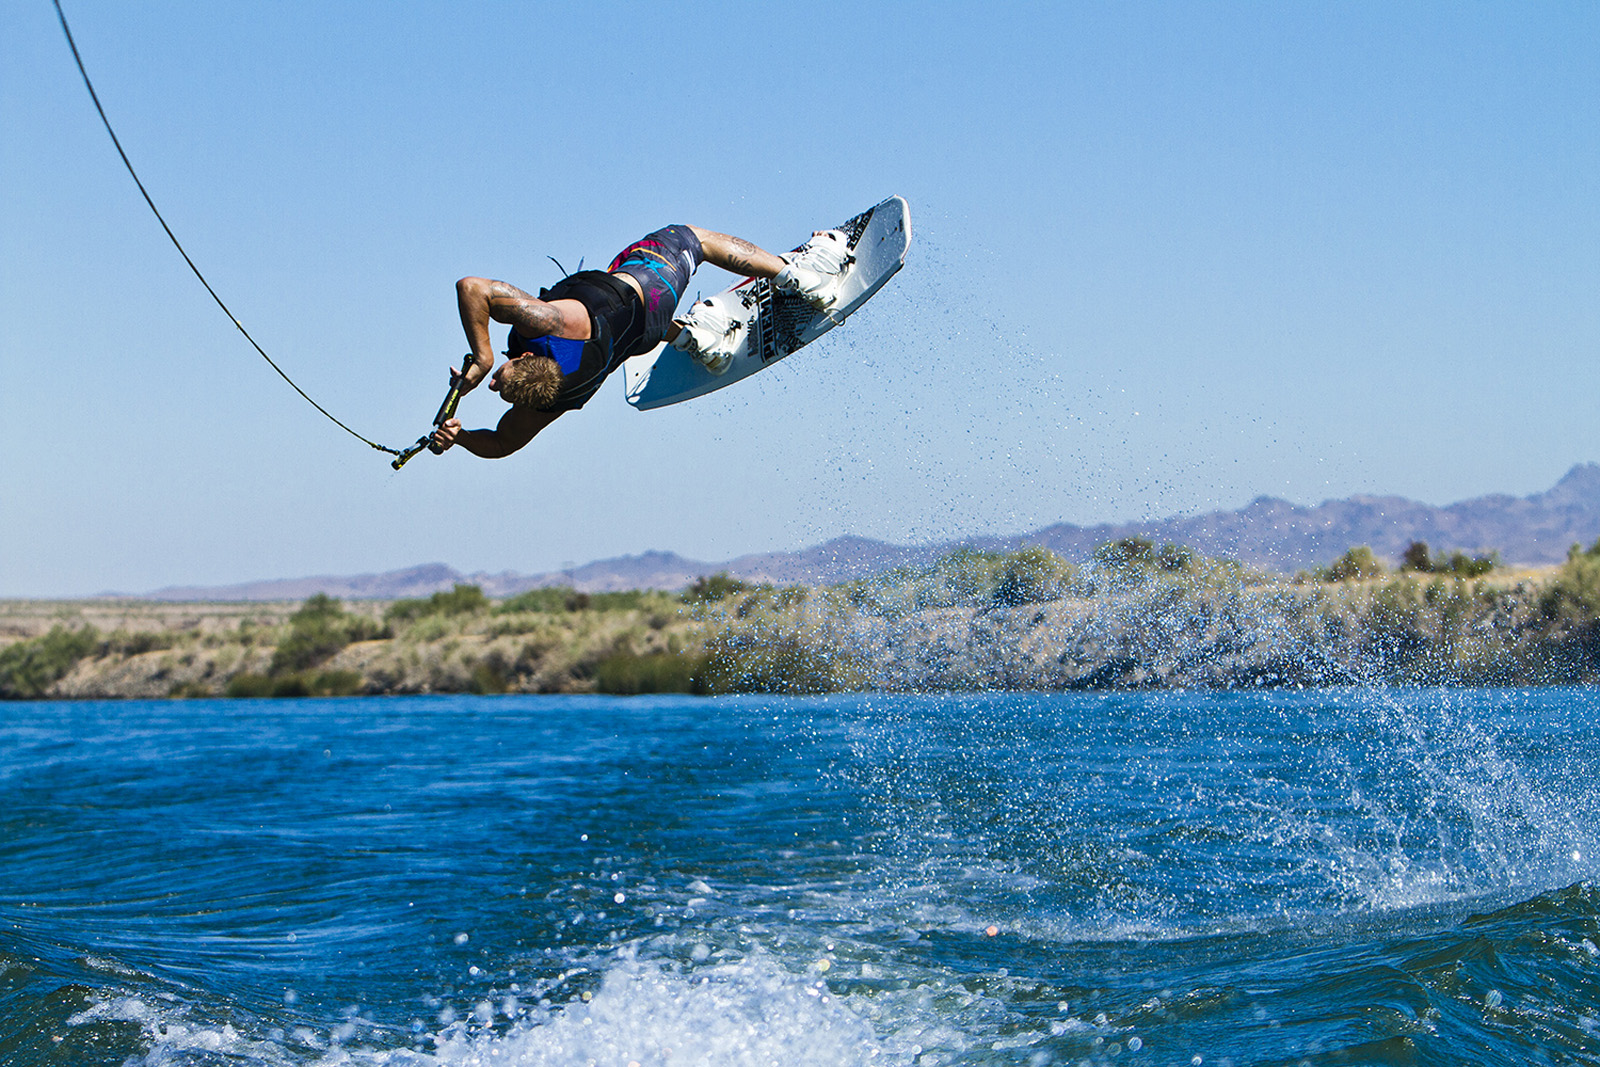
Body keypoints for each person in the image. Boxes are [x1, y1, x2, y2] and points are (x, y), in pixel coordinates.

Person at [429, 224, 853, 459]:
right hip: (651, 290)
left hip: (644, 335)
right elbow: (473, 288)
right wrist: (485, 358)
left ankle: (695, 338)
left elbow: (504, 443)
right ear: (525, 353)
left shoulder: (558, 399)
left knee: (627, 331)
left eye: (495, 381)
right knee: (692, 238)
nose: (491, 382)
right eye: (499, 381)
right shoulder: (556, 326)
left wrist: (459, 436)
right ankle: (800, 275)